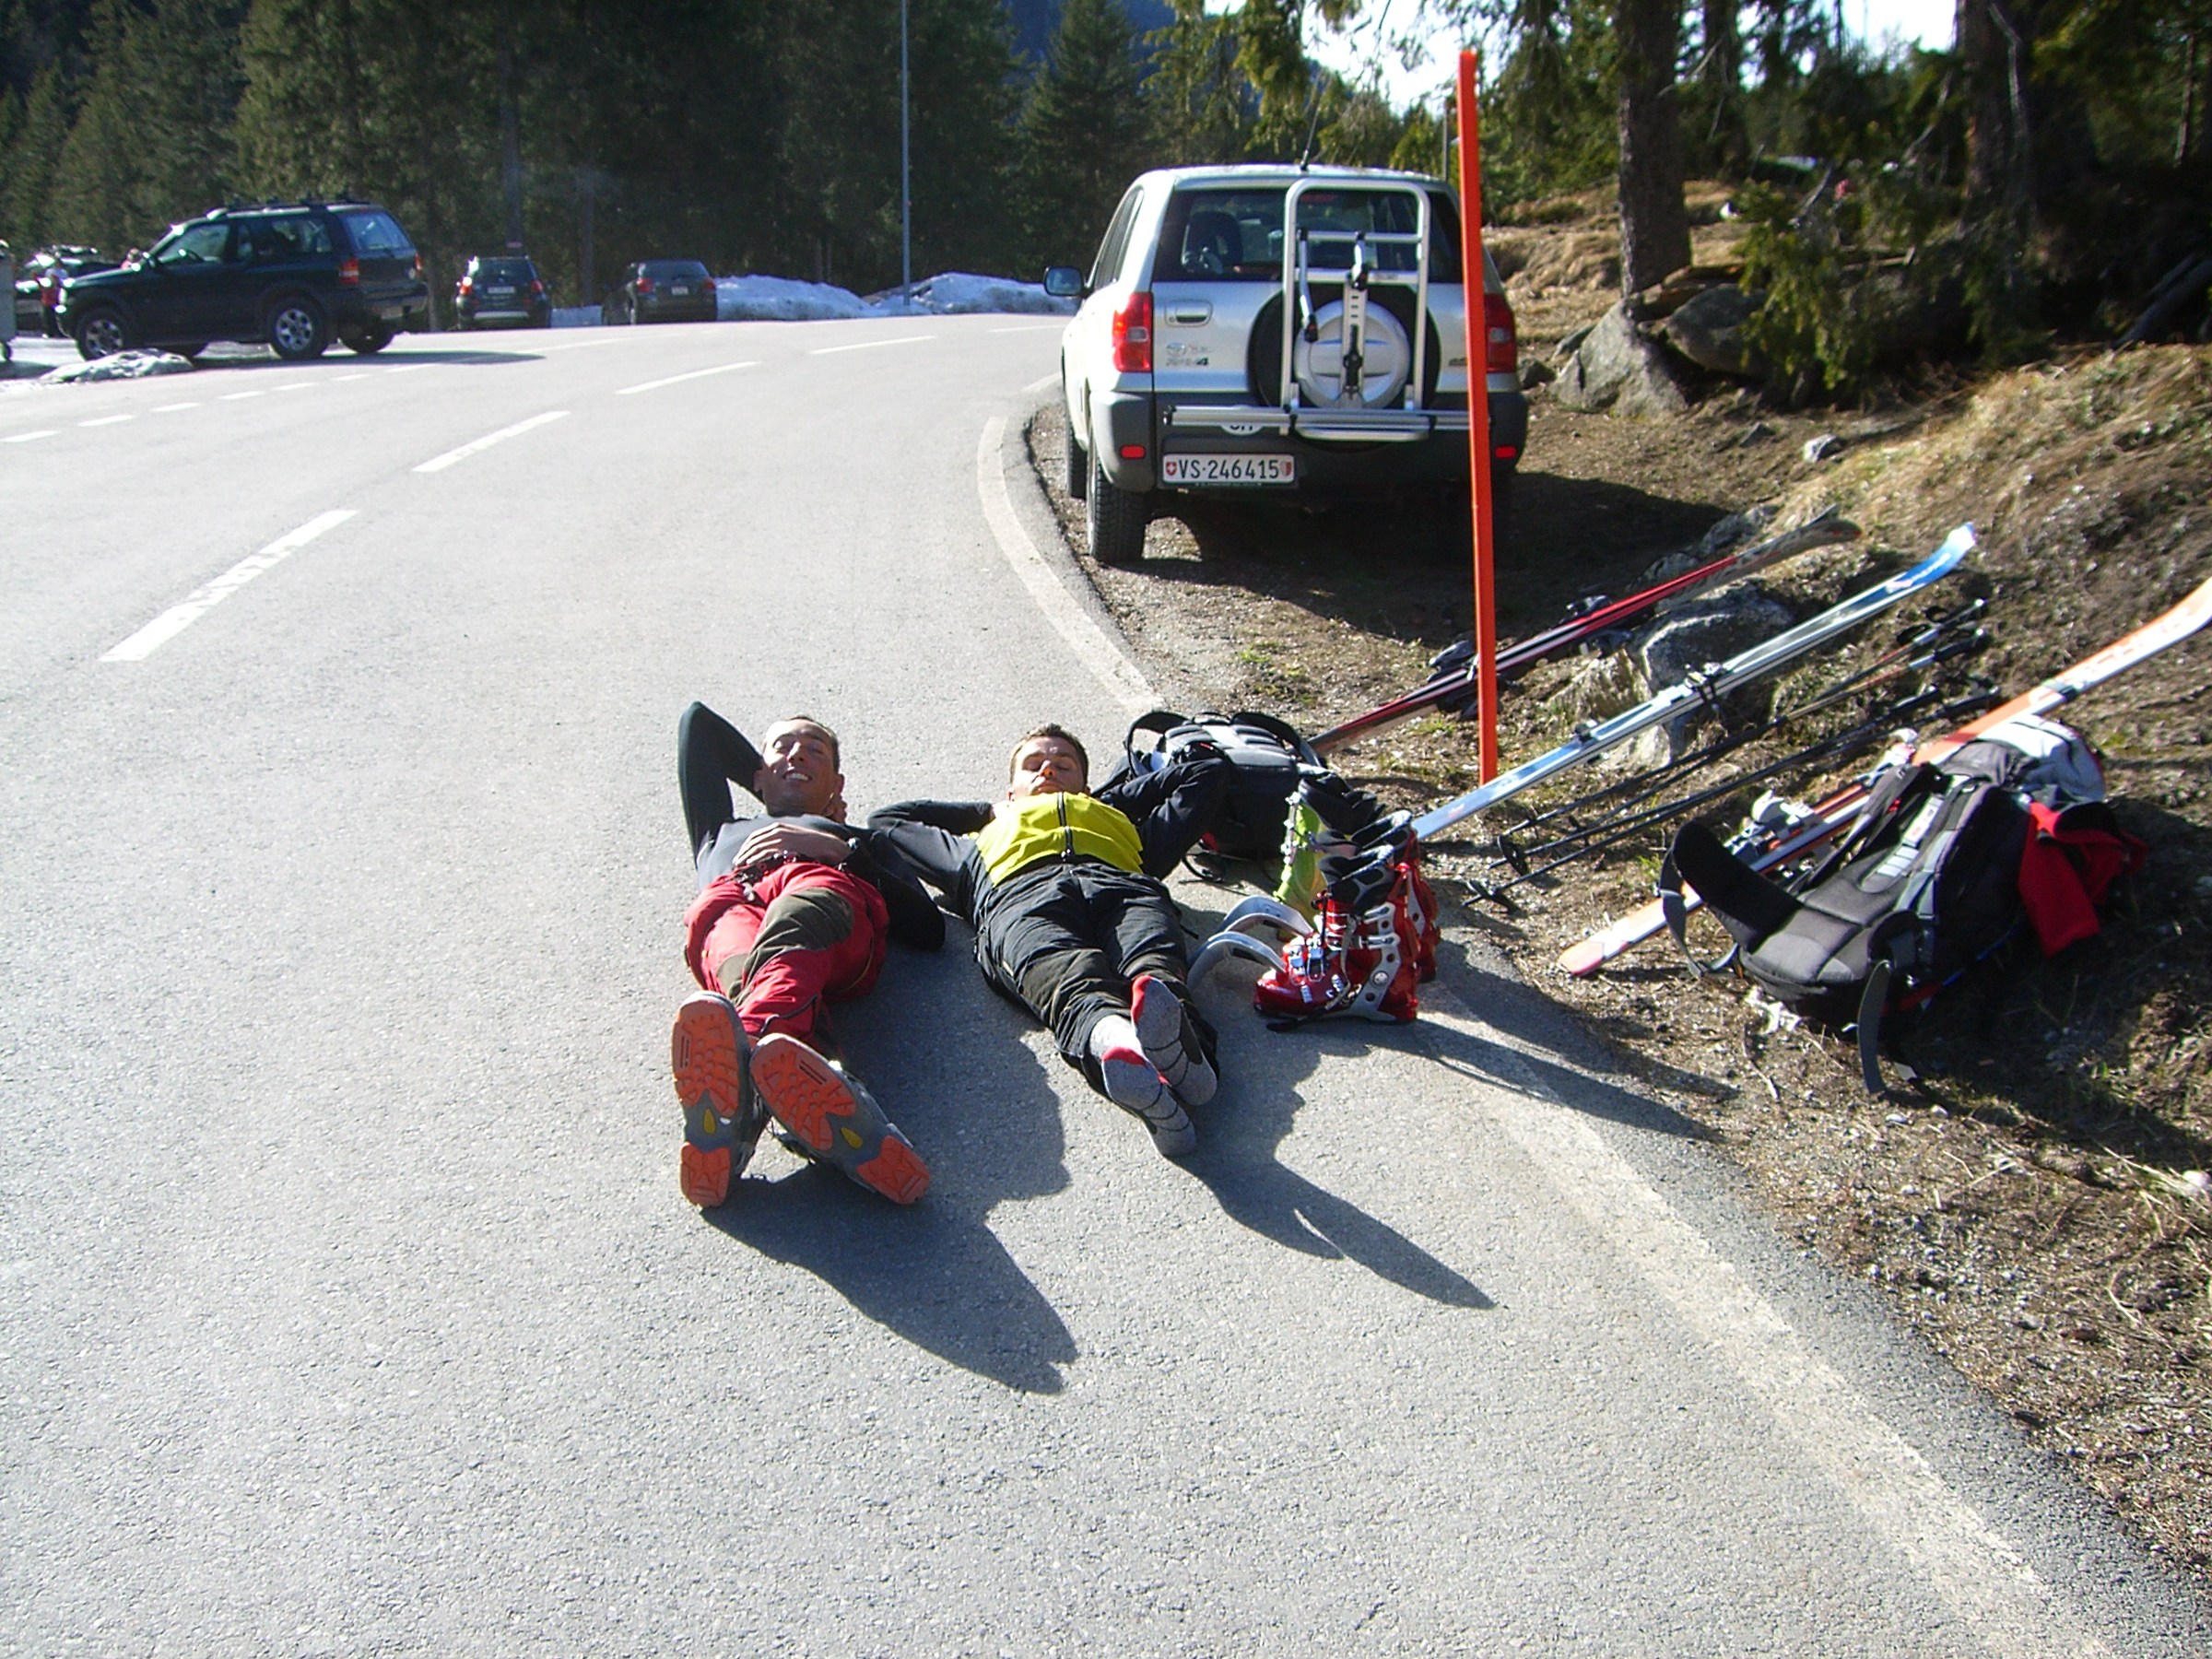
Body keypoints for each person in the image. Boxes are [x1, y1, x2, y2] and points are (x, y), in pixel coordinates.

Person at [868, 725, 1230, 1158]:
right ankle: (1124, 1049)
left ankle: (1188, 1063)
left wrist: (1098, 803)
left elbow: (1206, 772)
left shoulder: (1123, 827)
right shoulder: (972, 847)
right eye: (1033, 764)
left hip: (1123, 885)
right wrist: (987, 812)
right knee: (1069, 980)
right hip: (1018, 898)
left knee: (1152, 965)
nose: (1048, 768)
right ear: (1010, 789)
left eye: (1064, 765)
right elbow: (888, 821)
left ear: (1086, 783)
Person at [671, 702, 942, 1208]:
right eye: (783, 747)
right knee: (732, 946)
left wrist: (832, 843)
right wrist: (775, 785)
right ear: (755, 773)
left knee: (798, 916)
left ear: (838, 783)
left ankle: (741, 1092)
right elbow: (697, 726)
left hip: (823, 899)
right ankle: (825, 1105)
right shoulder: (720, 833)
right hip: (733, 899)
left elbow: (928, 930)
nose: (797, 752)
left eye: (814, 750)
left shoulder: (855, 841)